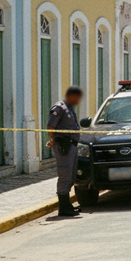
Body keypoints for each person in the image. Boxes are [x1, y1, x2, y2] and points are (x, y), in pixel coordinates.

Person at [46, 86, 84, 217]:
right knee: (65, 175)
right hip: (64, 146)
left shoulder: (69, 108)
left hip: (71, 145)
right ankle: (63, 207)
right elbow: (51, 126)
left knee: (71, 175)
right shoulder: (59, 107)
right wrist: (53, 140)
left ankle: (67, 205)